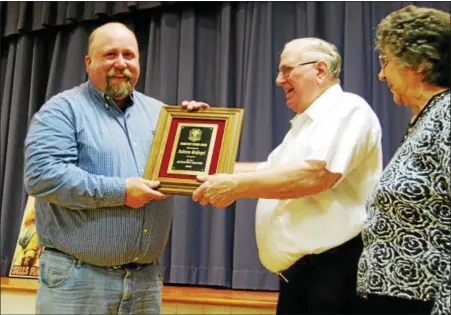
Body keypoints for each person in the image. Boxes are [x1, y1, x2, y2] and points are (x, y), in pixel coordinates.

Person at [24, 22, 207, 314]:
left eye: (129, 55)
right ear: (89, 62)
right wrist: (120, 192)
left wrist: (194, 126)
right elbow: (42, 176)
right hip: (78, 280)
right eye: (110, 54)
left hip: (145, 282)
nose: (121, 63)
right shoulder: (61, 110)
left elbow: (182, 171)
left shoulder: (161, 114)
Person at [193, 38, 383, 314]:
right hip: (301, 279)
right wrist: (197, 145)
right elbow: (264, 172)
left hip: (333, 278)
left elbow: (318, 175)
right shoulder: (305, 126)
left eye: (286, 70)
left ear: (319, 70)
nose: (278, 80)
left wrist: (234, 185)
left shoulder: (347, 109)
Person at [356, 5, 450, 315]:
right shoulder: (427, 117)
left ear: (419, 63)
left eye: (386, 61)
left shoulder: (447, 114)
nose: (381, 74)